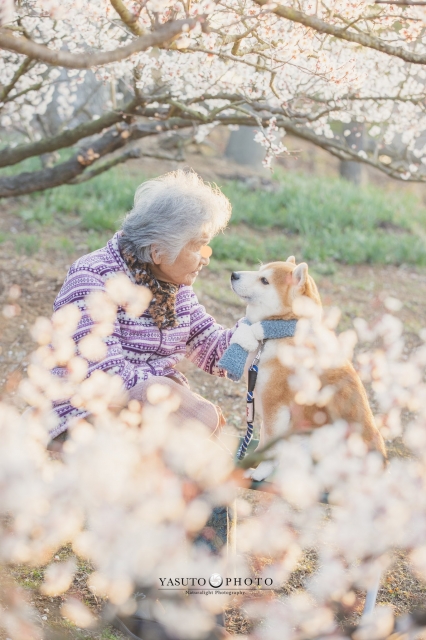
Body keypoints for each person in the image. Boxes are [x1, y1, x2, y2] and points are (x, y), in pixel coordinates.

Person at [48, 169, 241, 446]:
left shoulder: (173, 285)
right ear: (157, 251)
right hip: (81, 414)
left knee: (193, 418)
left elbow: (211, 348)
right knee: (185, 410)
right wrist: (173, 390)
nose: (206, 259)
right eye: (199, 247)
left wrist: (259, 332)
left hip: (144, 411)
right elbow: (105, 376)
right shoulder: (93, 278)